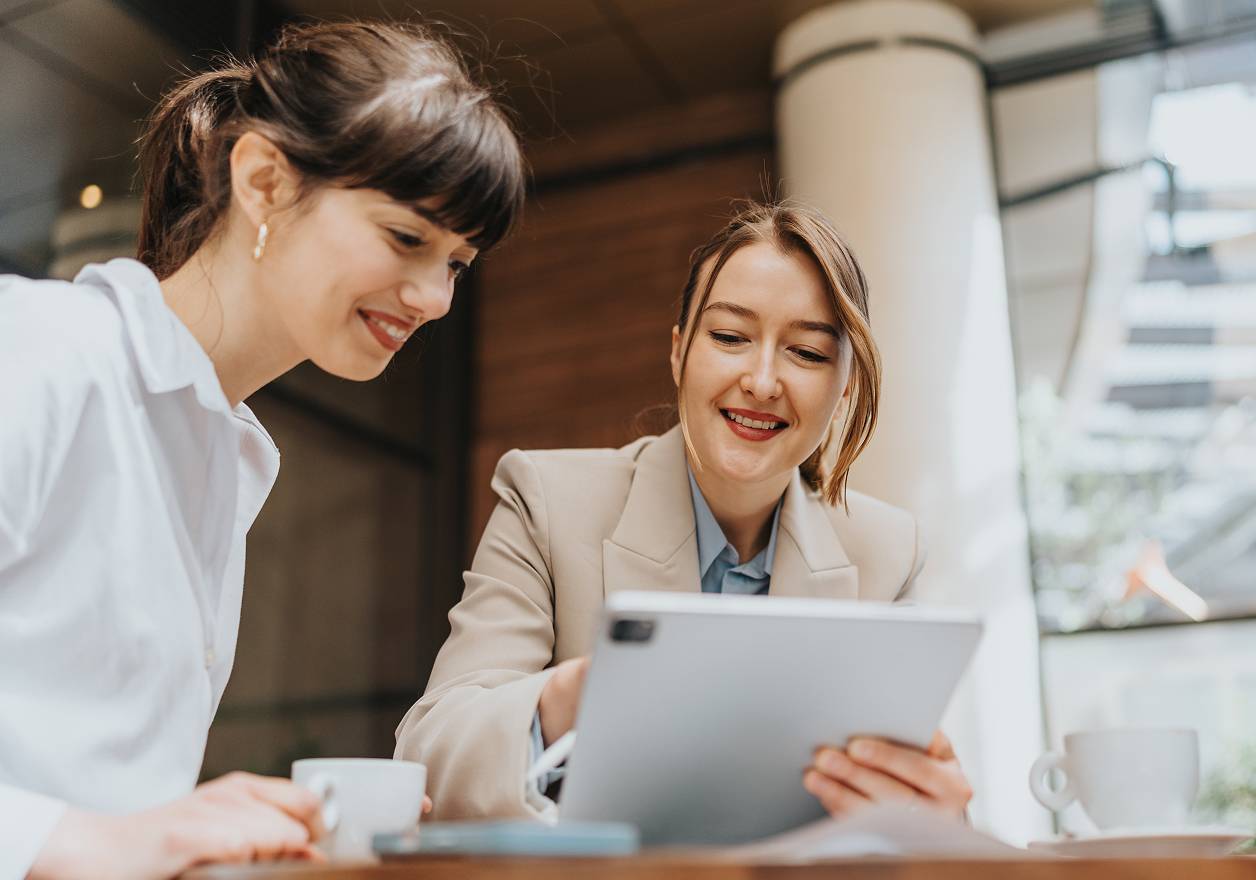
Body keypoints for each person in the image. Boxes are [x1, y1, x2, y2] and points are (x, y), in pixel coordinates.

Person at [0, 20, 525, 880]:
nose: (435, 298)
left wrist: (244, 827)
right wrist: (93, 843)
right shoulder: (43, 350)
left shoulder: (228, 452)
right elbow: (93, 832)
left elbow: (106, 788)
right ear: (265, 180)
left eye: (459, 264)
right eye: (406, 238)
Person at [395, 200, 972, 823]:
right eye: (729, 337)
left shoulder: (889, 551)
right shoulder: (546, 498)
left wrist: (932, 819)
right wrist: (579, 693)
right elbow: (430, 752)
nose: (761, 380)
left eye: (806, 352)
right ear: (678, 354)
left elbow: (895, 806)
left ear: (847, 388)